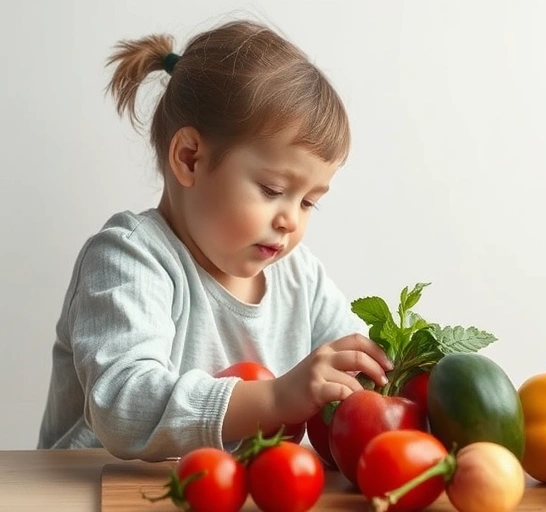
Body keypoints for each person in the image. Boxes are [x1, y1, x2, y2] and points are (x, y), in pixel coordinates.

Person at [37, 18, 392, 462]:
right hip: (81, 492)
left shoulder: (300, 278)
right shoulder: (127, 258)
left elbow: (361, 372)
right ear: (190, 158)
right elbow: (123, 407)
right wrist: (276, 398)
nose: (289, 221)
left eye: (308, 203)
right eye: (273, 191)